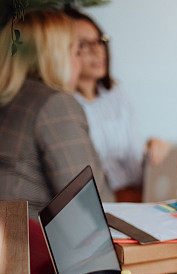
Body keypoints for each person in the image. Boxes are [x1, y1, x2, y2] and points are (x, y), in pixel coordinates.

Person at [0, 10, 113, 217]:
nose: (79, 62)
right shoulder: (55, 105)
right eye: (76, 52)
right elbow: (89, 208)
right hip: (33, 244)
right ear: (56, 57)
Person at [64, 8, 169, 202]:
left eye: (99, 41)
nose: (97, 51)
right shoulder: (65, 105)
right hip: (106, 203)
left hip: (139, 193)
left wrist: (151, 148)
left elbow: (134, 159)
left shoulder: (114, 93)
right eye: (84, 45)